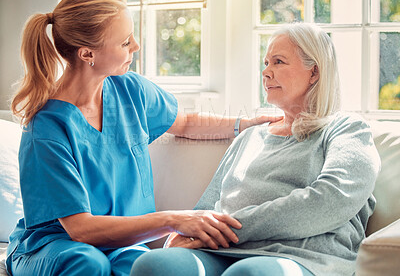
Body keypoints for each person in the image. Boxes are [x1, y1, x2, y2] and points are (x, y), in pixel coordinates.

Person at [5, 0, 278, 276]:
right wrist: (174, 219)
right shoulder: (47, 127)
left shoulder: (130, 89)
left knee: (140, 265)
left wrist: (244, 124)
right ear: (88, 54)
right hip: (53, 246)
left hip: (122, 244)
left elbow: (184, 122)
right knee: (87, 263)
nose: (135, 46)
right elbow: (81, 229)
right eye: (125, 42)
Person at [130, 23, 381, 276]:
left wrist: (231, 229)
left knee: (249, 273)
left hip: (302, 255)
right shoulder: (250, 136)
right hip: (222, 251)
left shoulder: (347, 129)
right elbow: (209, 205)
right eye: (266, 62)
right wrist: (187, 233)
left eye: (279, 62)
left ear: (314, 72)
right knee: (153, 264)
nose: (266, 72)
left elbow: (330, 201)